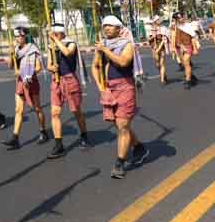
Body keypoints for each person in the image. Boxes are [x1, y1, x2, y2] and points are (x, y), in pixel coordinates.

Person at [92, 15, 148, 179]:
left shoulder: (127, 44)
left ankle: (119, 163)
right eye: (105, 26)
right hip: (109, 88)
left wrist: (105, 50)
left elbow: (123, 62)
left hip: (125, 87)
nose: (107, 28)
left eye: (110, 26)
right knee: (119, 125)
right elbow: (95, 66)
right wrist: (100, 86)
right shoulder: (102, 45)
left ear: (118, 28)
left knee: (122, 125)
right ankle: (138, 147)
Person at [45, 23, 90, 159]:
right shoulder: (51, 47)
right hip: (56, 80)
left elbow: (67, 53)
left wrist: (56, 40)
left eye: (57, 34)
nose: (54, 36)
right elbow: (48, 65)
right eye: (54, 34)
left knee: (76, 111)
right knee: (54, 113)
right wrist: (53, 68)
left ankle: (84, 135)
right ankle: (59, 144)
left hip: (70, 79)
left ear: (61, 33)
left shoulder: (71, 43)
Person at [2, 27, 49, 151]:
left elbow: (38, 67)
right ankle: (15, 137)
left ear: (25, 37)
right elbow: (10, 66)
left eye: (19, 36)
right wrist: (10, 53)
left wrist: (26, 73)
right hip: (19, 83)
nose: (17, 39)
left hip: (31, 81)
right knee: (18, 110)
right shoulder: (16, 50)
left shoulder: (33, 49)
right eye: (16, 36)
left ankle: (43, 131)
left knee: (37, 108)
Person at [172, 12, 200, 89]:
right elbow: (173, 37)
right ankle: (192, 77)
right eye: (179, 18)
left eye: (181, 17)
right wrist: (173, 47)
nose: (181, 19)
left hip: (188, 46)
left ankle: (188, 81)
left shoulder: (188, 26)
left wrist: (195, 48)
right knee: (184, 64)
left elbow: (193, 38)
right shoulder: (174, 27)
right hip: (179, 47)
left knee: (186, 61)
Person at [147, 16, 169, 85]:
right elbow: (148, 40)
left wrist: (159, 48)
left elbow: (164, 39)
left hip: (161, 47)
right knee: (157, 64)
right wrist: (153, 37)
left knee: (162, 63)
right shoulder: (150, 29)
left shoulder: (163, 28)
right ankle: (164, 75)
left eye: (158, 20)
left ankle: (162, 80)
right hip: (154, 48)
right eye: (156, 20)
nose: (158, 21)